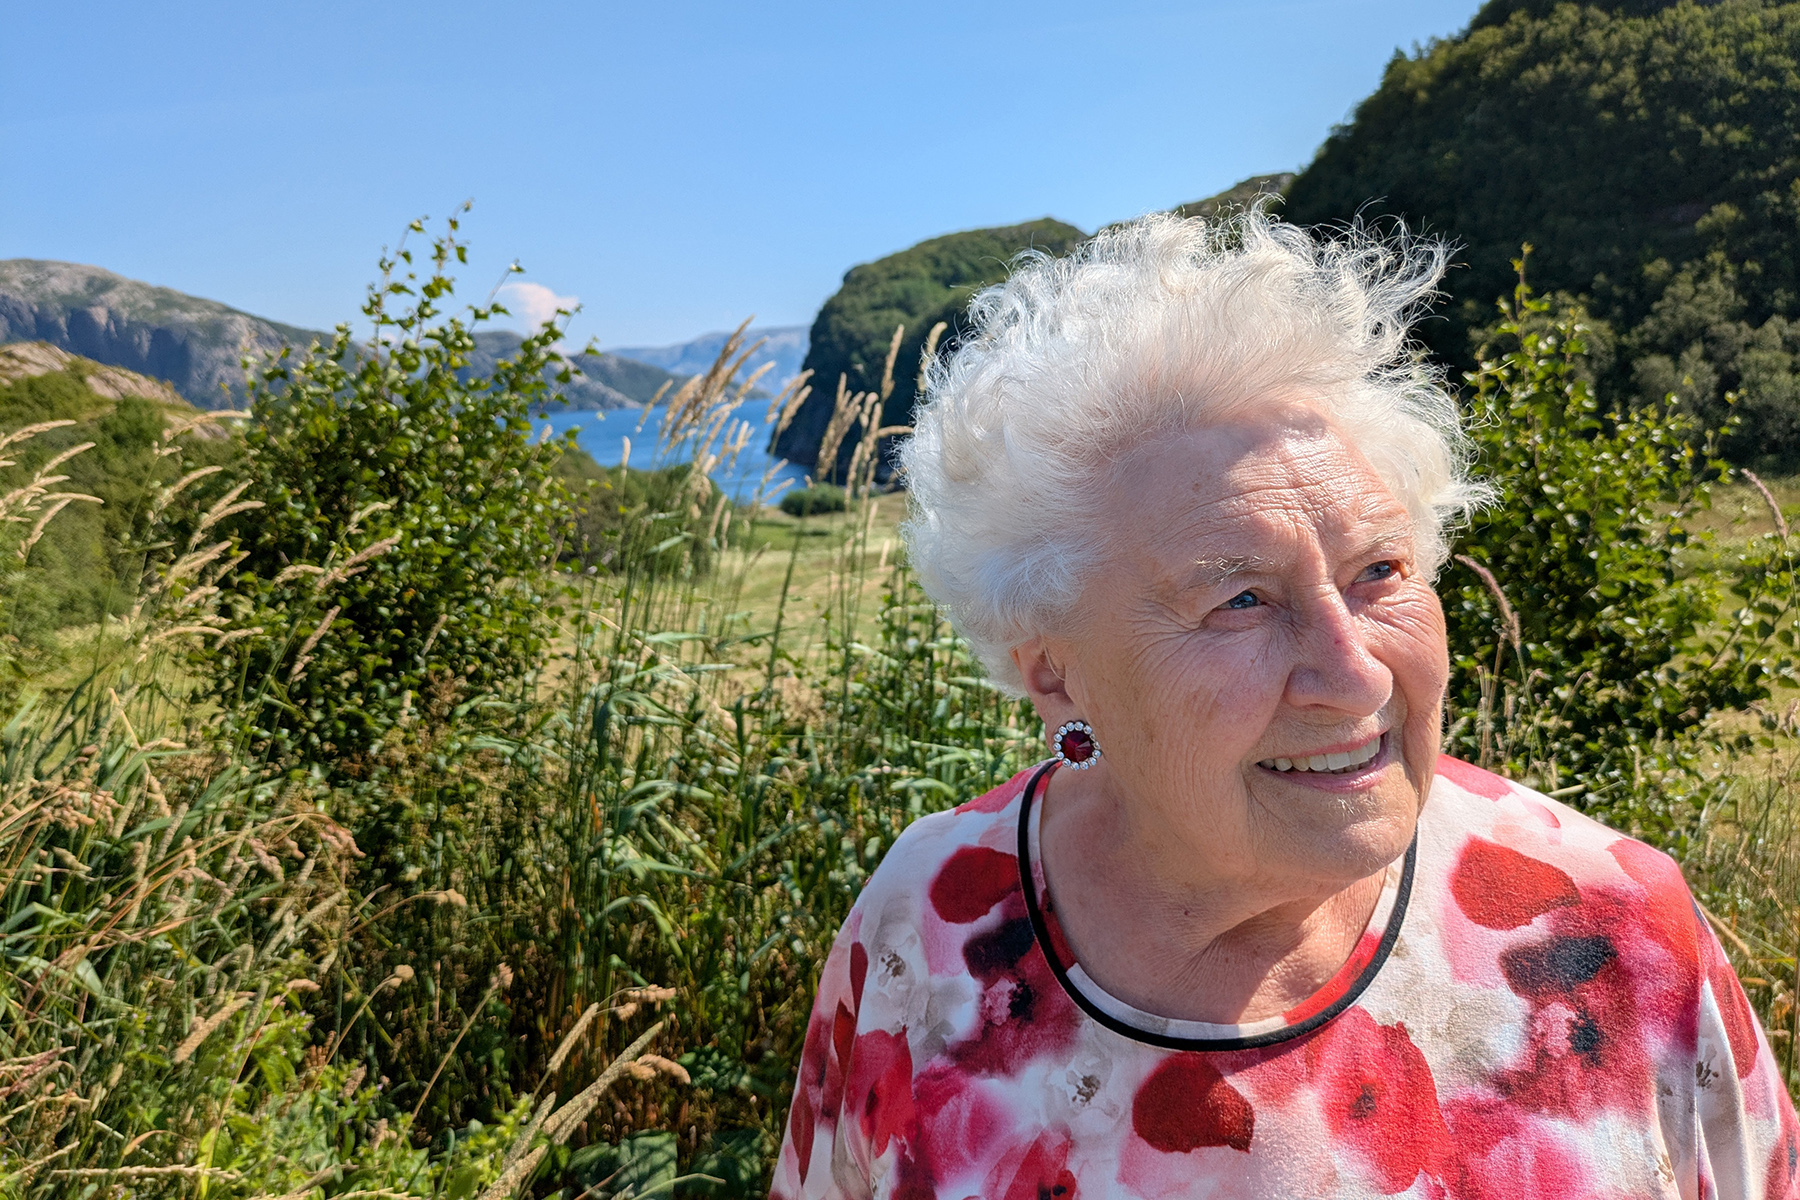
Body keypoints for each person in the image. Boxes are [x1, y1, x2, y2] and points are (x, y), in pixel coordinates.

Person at [769, 211, 1800, 1199]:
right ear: (1055, 672)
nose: (1356, 677)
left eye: (1381, 569)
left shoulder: (1615, 929)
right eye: (1240, 601)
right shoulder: (931, 923)